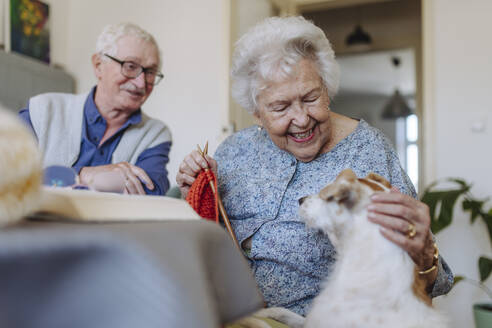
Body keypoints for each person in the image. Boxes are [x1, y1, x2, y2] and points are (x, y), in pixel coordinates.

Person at [176, 16, 453, 316]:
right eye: (281, 107)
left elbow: (434, 282)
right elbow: (204, 245)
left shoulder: (368, 151)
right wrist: (193, 196)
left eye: (310, 98)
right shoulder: (234, 151)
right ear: (256, 113)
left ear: (327, 88)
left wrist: (425, 251)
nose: (302, 118)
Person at [19, 23, 171, 195]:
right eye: (130, 66)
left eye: (150, 72)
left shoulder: (155, 134)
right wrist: (83, 175)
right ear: (98, 65)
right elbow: (8, 174)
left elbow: (151, 190)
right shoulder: (43, 110)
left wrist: (51, 178)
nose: (140, 83)